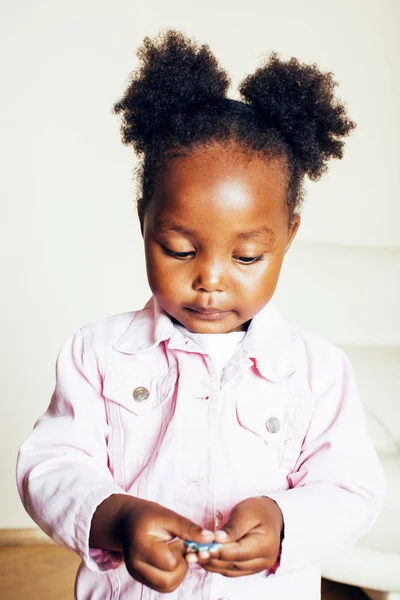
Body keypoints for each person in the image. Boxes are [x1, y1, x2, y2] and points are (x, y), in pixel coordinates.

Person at [16, 30, 386, 600]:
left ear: (288, 236)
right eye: (181, 249)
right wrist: (116, 517)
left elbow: (353, 488)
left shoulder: (317, 372)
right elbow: (50, 466)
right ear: (145, 221)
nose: (210, 279)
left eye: (246, 256)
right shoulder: (96, 354)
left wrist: (285, 520)